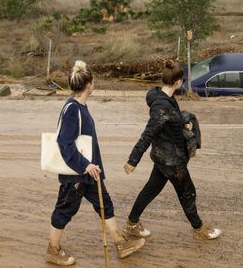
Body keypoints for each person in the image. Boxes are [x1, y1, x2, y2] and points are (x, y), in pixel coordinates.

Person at [45, 61, 145, 266]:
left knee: (105, 205)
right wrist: (85, 165)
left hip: (91, 172)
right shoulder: (73, 109)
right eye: (93, 80)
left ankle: (120, 243)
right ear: (89, 84)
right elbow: (64, 143)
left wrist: (92, 166)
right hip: (77, 173)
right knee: (65, 209)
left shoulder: (80, 106)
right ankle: (53, 250)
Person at [122, 59, 222, 240]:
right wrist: (132, 160)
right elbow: (148, 134)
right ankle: (199, 228)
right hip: (172, 160)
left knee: (150, 190)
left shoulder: (164, 97)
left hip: (163, 157)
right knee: (187, 192)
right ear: (178, 82)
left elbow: (169, 123)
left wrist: (184, 125)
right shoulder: (162, 107)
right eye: (182, 80)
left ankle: (132, 223)